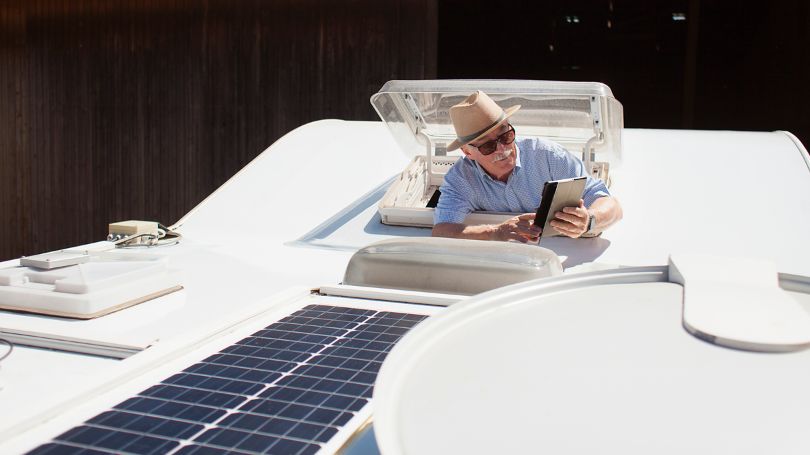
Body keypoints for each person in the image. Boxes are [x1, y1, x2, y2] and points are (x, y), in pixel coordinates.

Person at [432, 90, 622, 243]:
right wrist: (494, 232)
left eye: (505, 136)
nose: (502, 148)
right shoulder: (460, 179)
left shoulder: (548, 156)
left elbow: (612, 205)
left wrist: (589, 220)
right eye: (488, 146)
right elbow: (441, 231)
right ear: (467, 152)